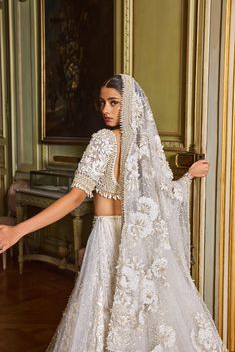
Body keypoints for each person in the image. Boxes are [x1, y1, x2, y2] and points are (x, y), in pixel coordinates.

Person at [0, 74, 227, 352]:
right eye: (102, 103)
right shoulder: (142, 149)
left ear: (129, 104)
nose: (106, 110)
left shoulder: (104, 141)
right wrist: (188, 177)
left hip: (109, 242)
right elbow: (162, 197)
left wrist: (18, 229)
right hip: (138, 244)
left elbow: (75, 199)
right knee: (138, 320)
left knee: (103, 316)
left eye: (114, 103)